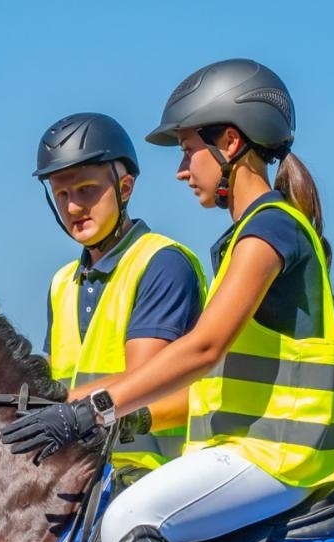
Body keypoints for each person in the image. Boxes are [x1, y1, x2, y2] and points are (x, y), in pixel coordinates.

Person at [2, 60, 334, 542]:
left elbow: (201, 349)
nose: (183, 170)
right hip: (245, 447)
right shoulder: (240, 239)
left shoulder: (271, 230)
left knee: (131, 520)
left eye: (188, 150)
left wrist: (93, 408)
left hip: (285, 451)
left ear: (230, 142)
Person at [32, 112, 204, 472]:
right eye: (61, 195)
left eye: (86, 190)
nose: (73, 207)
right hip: (82, 473)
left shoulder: (161, 263)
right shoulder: (62, 282)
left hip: (154, 469)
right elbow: (50, 377)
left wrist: (53, 407)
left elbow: (143, 382)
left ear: (124, 189)